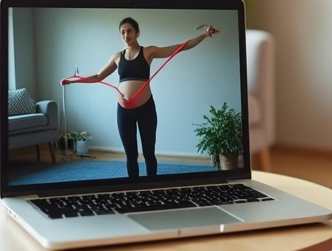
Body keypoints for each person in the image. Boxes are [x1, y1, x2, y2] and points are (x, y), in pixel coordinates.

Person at [62, 18, 219, 178]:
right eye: (122, 32)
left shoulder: (148, 52)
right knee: (130, 155)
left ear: (137, 32)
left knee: (149, 152)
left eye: (129, 30)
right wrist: (73, 80)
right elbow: (98, 76)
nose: (125, 34)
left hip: (146, 109)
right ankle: (133, 187)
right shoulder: (117, 57)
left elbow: (179, 48)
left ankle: (151, 185)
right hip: (124, 112)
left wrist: (205, 35)